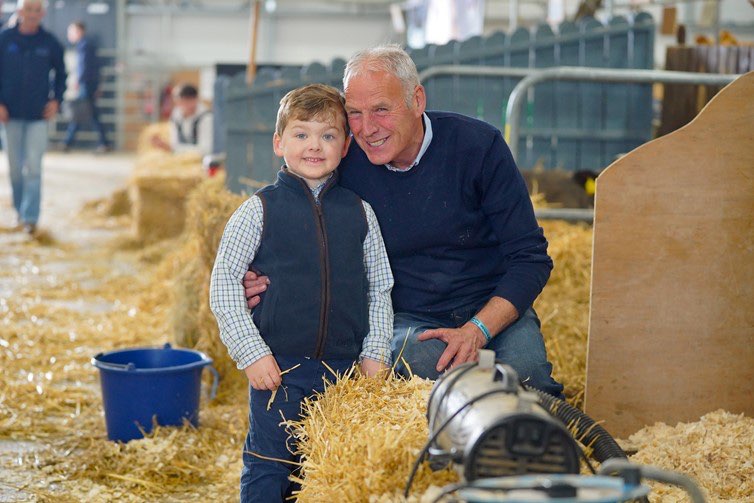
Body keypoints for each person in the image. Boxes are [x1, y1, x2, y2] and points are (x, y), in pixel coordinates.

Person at [244, 45, 564, 397]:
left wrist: (477, 330)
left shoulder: (478, 146)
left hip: (490, 309)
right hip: (407, 319)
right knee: (423, 369)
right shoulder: (344, 163)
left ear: (417, 100)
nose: (367, 129)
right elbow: (294, 210)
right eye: (355, 113)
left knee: (530, 382)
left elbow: (530, 257)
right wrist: (263, 274)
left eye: (381, 109)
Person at [209, 83, 394, 502]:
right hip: (280, 370)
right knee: (269, 467)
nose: (315, 146)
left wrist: (375, 353)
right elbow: (223, 286)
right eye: (301, 134)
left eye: (328, 136)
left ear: (345, 146)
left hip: (344, 373)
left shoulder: (360, 213)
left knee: (329, 469)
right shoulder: (259, 209)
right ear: (279, 142)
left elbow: (380, 287)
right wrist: (251, 353)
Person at [0, 0, 66, 234]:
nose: (32, 14)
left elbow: (61, 73)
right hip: (10, 115)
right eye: (28, 9)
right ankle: (20, 211)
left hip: (38, 115)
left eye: (37, 10)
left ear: (43, 14)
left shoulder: (49, 42)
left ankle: (30, 218)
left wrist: (56, 100)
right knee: (16, 168)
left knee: (34, 168)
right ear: (19, 11)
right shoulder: (4, 39)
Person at [62, 20, 110, 153]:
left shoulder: (84, 46)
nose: (69, 35)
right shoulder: (86, 45)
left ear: (79, 31)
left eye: (71, 31)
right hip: (89, 85)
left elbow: (84, 67)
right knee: (89, 114)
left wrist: (78, 81)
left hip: (86, 85)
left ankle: (68, 143)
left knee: (82, 113)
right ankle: (102, 143)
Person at [150, 83, 213, 156]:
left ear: (195, 100)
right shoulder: (176, 115)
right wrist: (166, 146)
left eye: (187, 101)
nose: (182, 105)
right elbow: (175, 142)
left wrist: (173, 148)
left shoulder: (206, 118)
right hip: (182, 158)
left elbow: (206, 150)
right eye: (178, 101)